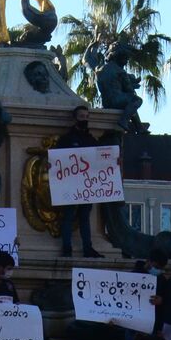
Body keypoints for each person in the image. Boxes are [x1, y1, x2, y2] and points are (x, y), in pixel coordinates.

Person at [53, 105, 102, 258]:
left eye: (87, 117)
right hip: (71, 184)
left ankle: (88, 248)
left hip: (87, 185)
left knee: (84, 216)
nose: (84, 119)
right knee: (68, 215)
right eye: (82, 116)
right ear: (75, 118)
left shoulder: (91, 139)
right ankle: (67, 248)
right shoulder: (67, 139)